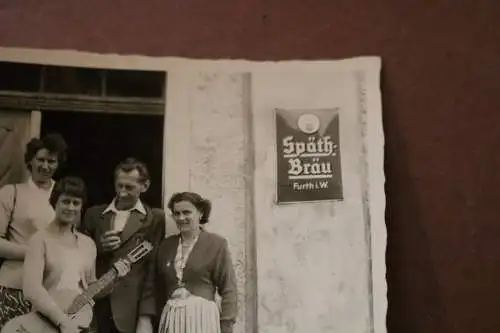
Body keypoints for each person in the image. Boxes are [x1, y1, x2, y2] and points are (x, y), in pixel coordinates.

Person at [22, 176, 131, 333]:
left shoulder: (88, 244)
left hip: (81, 325)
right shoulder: (39, 240)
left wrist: (115, 279)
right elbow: (32, 289)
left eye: (76, 203)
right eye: (66, 201)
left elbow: (91, 290)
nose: (71, 208)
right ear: (55, 203)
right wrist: (62, 321)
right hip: (45, 325)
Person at [79, 157, 168, 333]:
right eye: (119, 186)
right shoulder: (93, 215)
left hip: (131, 310)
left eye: (129, 187)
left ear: (145, 186)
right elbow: (77, 261)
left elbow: (152, 271)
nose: (122, 192)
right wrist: (98, 248)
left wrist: (146, 317)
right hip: (95, 305)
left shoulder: (154, 218)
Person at [137, 192, 238, 333]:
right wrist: (145, 320)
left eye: (186, 212)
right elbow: (152, 287)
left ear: (200, 213)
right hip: (172, 318)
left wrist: (227, 324)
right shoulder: (165, 246)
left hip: (203, 317)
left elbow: (229, 288)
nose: (181, 218)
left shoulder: (216, 244)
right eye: (176, 213)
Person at [0, 133, 67, 329]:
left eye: (51, 161)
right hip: (15, 286)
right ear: (30, 160)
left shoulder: (65, 196)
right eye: (41, 160)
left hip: (52, 288)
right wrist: (36, 253)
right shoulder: (11, 193)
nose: (45, 166)